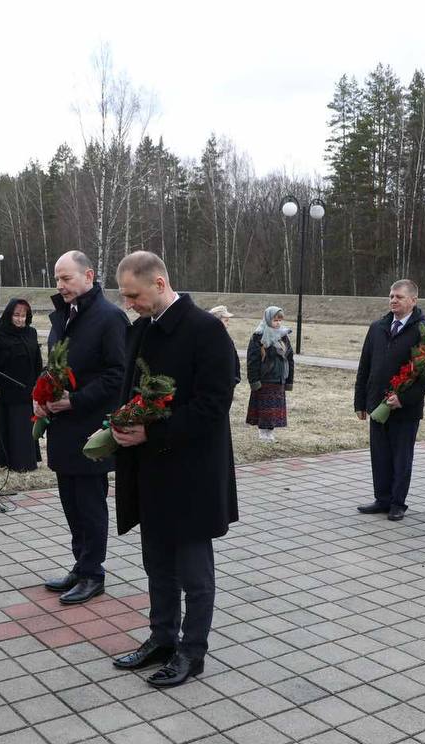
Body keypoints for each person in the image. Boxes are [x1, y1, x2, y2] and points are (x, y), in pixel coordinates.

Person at [110, 250, 237, 688]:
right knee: (157, 565)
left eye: (134, 295)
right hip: (151, 473)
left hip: (192, 475)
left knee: (194, 573)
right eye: (125, 296)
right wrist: (117, 427)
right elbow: (130, 393)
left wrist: (152, 434)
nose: (129, 304)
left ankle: (192, 652)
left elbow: (213, 405)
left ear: (160, 283)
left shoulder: (206, 331)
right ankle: (162, 639)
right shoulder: (142, 329)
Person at [36, 251, 128, 605]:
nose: (60, 285)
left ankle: (93, 574)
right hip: (62, 425)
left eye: (66, 278)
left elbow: (117, 375)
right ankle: (81, 565)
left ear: (88, 276)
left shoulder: (110, 317)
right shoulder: (64, 314)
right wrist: (39, 396)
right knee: (71, 503)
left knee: (89, 504)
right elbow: (53, 365)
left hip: (89, 428)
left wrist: (75, 401)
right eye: (57, 279)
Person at [353, 280, 425, 521]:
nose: (393, 300)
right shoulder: (377, 327)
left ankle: (397, 503)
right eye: (391, 296)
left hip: (405, 409)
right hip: (376, 404)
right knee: (379, 455)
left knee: (401, 458)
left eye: (399, 297)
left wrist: (403, 399)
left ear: (413, 300)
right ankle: (382, 499)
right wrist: (360, 401)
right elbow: (365, 366)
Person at [0, 297, 42, 472]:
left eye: (23, 316)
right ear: (9, 314)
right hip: (5, 390)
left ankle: (25, 461)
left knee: (23, 425)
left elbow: (37, 361)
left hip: (26, 388)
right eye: (16, 315)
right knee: (8, 424)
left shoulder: (31, 332)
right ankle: (5, 460)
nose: (20, 319)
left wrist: (39, 384)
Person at [245, 306, 295, 442]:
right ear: (268, 319)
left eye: (280, 320)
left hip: (279, 379)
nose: (278, 323)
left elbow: (289, 358)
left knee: (274, 409)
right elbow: (252, 360)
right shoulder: (258, 336)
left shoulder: (283, 336)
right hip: (265, 379)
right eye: (275, 320)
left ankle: (270, 432)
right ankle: (263, 433)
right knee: (264, 407)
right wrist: (254, 381)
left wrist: (289, 380)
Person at [208, 305, 242, 384]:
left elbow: (234, 359)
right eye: (226, 320)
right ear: (217, 321)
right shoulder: (208, 340)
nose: (228, 324)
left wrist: (236, 378)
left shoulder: (226, 338)